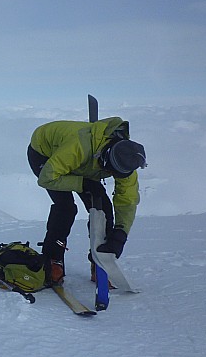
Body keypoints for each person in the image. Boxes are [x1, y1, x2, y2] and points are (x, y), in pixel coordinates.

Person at [27, 116, 147, 284]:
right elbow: (46, 178)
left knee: (103, 209)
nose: (113, 176)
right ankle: (53, 259)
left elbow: (127, 200)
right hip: (44, 153)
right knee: (66, 207)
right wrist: (83, 183)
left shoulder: (126, 160)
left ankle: (99, 262)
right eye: (111, 172)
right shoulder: (78, 147)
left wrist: (120, 232)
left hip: (86, 163)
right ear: (106, 160)